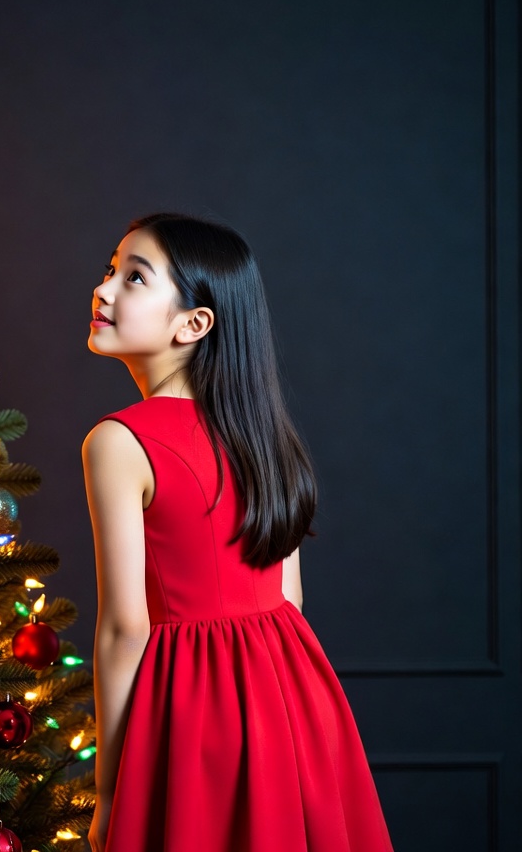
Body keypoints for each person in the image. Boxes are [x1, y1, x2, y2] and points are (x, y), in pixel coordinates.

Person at [82, 212, 393, 852]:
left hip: (192, 706)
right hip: (294, 697)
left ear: (193, 324)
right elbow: (290, 598)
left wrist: (110, 789)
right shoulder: (263, 435)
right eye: (111, 270)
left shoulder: (118, 442)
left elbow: (125, 627)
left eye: (134, 278)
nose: (104, 290)